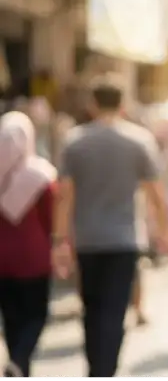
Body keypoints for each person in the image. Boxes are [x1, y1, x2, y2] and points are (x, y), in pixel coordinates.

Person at [52, 80, 168, 379]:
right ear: (123, 105)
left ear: (92, 104)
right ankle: (106, 369)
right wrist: (164, 229)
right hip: (124, 239)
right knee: (115, 310)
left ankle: (96, 367)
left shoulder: (75, 141)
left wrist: (59, 241)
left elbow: (64, 195)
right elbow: (156, 193)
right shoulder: (139, 141)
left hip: (88, 239)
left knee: (91, 308)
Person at [0, 112, 57, 378]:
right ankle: (20, 360)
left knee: (11, 319)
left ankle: (18, 365)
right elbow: (52, 218)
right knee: (37, 314)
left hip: (2, 261)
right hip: (34, 258)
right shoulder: (40, 174)